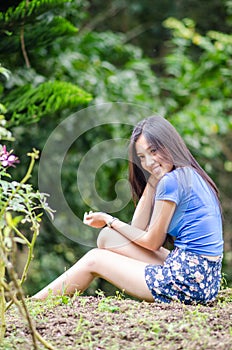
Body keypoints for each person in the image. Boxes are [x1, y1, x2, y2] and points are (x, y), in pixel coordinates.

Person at [33, 115, 223, 304]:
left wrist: (111, 220)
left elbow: (151, 242)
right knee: (107, 237)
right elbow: (137, 230)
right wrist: (152, 182)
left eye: (154, 151)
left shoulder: (172, 182)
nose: (148, 162)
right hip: (205, 278)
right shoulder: (189, 174)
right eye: (142, 157)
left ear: (169, 144)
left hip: (187, 282)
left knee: (94, 259)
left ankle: (32, 305)